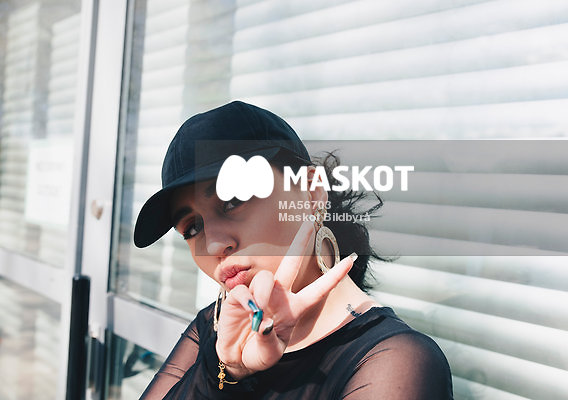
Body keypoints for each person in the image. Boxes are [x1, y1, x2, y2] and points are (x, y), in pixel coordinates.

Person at [134, 101, 453, 399]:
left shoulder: (394, 361)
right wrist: (225, 372)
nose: (213, 244)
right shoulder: (216, 328)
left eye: (232, 201)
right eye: (192, 228)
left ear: (312, 193)